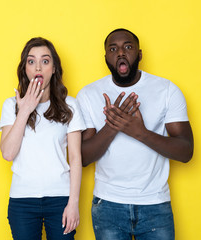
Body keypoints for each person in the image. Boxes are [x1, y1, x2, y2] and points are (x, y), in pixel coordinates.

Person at [76, 28, 194, 240]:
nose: (120, 53)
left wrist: (140, 132)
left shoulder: (167, 90)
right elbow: (82, 158)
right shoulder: (89, 94)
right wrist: (113, 126)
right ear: (106, 58)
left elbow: (186, 151)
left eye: (128, 47)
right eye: (113, 49)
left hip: (155, 205)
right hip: (107, 206)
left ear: (139, 54)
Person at [0, 37, 85, 240]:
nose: (38, 67)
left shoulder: (69, 105)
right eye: (31, 61)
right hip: (22, 201)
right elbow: (8, 153)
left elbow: (75, 158)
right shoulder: (11, 105)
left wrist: (73, 204)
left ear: (54, 68)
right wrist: (25, 110)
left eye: (45, 61)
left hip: (60, 199)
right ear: (25, 69)